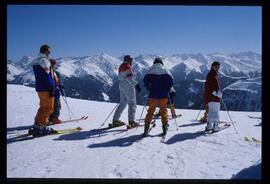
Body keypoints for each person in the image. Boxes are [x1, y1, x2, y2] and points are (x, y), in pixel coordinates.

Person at [30, 44, 56, 136]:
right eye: (49, 51)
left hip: (40, 87)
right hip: (46, 88)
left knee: (43, 106)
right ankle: (41, 127)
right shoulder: (44, 60)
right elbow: (47, 75)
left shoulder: (36, 60)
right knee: (48, 107)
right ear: (45, 51)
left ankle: (37, 124)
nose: (49, 53)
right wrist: (50, 87)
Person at [143, 57, 173, 136]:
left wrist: (148, 88)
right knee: (163, 110)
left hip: (153, 94)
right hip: (163, 94)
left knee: (151, 111)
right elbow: (171, 80)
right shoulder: (165, 70)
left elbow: (145, 80)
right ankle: (164, 126)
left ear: (154, 63)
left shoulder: (150, 70)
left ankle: (146, 126)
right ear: (161, 63)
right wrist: (167, 87)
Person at [110, 55, 140, 128]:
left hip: (122, 86)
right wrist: (136, 84)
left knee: (123, 103)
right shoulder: (127, 67)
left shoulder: (121, 66)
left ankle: (115, 120)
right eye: (131, 60)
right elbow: (130, 79)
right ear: (128, 60)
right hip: (128, 87)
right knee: (132, 103)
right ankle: (131, 121)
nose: (132, 61)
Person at [204, 61, 222, 131]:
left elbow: (208, 86)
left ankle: (209, 126)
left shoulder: (211, 74)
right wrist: (217, 93)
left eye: (219, 67)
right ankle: (215, 126)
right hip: (214, 97)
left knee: (211, 111)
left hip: (209, 97)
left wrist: (215, 92)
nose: (218, 68)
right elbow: (210, 86)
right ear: (213, 67)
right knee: (216, 111)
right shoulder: (212, 75)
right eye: (217, 67)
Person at [48, 59, 64, 125]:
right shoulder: (53, 73)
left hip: (49, 91)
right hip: (54, 91)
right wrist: (60, 87)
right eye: (53, 64)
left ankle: (49, 118)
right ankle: (54, 118)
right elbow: (57, 82)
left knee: (51, 105)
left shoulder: (47, 72)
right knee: (57, 105)